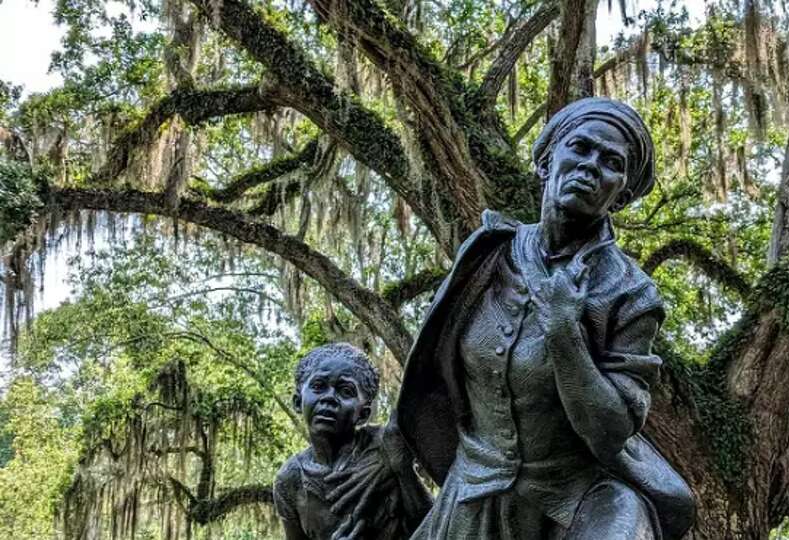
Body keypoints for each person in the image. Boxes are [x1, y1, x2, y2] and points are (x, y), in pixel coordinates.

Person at [396, 97, 696, 539]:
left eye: (611, 162)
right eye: (579, 147)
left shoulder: (631, 293)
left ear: (623, 193)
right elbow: (431, 370)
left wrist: (564, 330)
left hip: (577, 496)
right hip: (474, 488)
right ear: (546, 161)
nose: (591, 166)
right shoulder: (486, 253)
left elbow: (611, 431)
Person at [274, 343, 431, 540]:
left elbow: (437, 527)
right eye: (318, 386)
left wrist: (403, 470)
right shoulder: (290, 479)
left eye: (346, 391)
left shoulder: (386, 445)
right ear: (298, 402)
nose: (329, 398)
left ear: (363, 414)